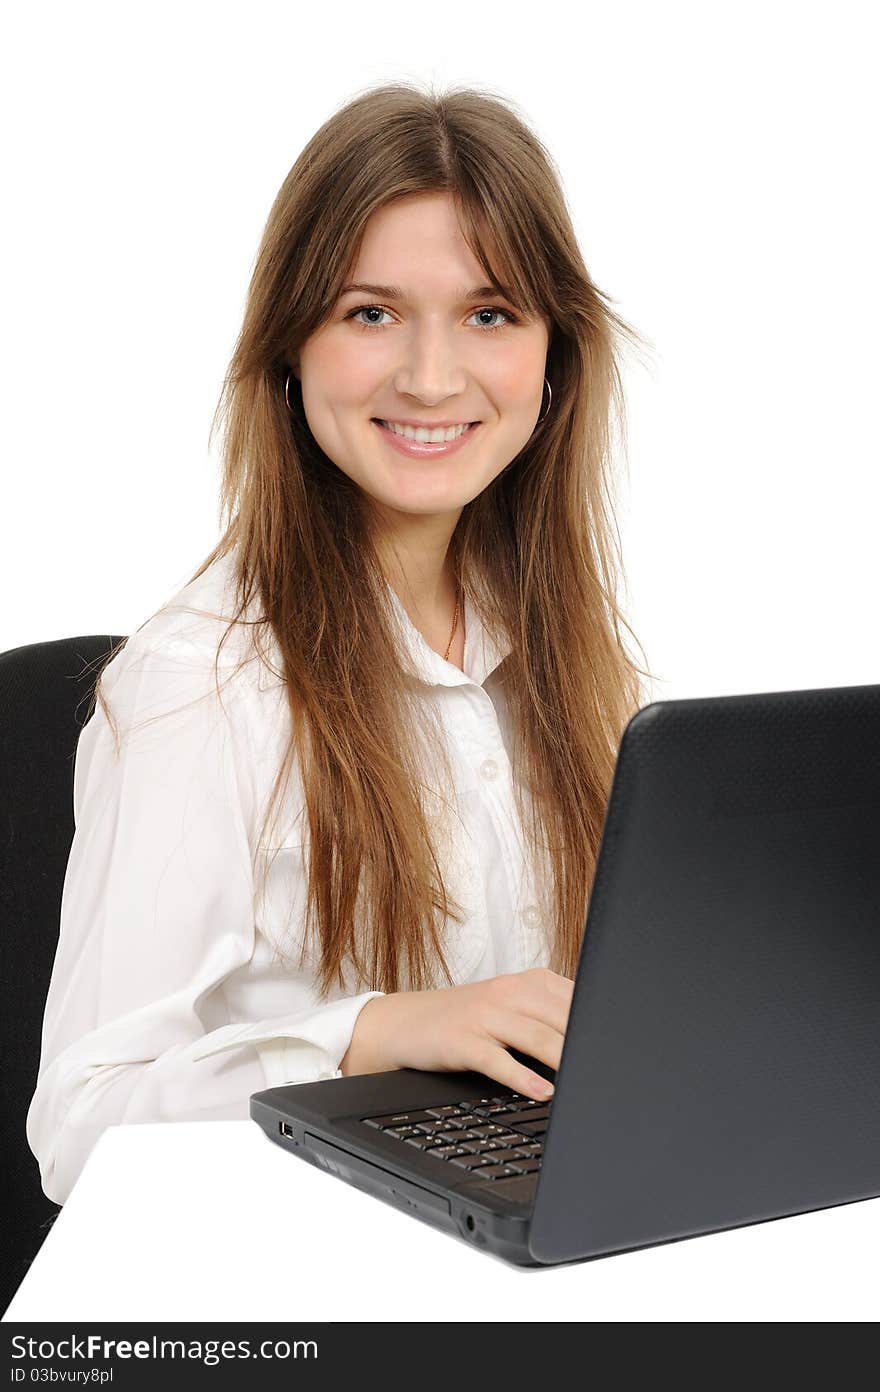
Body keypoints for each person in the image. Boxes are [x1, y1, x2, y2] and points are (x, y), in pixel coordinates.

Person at [27, 81, 651, 1205]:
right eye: (371, 313)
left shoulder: (565, 654)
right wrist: (367, 1033)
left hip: (505, 1242)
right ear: (289, 350)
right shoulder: (202, 685)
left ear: (555, 360)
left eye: (490, 313)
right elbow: (82, 1123)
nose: (429, 376)